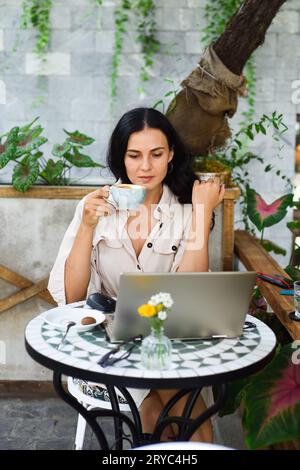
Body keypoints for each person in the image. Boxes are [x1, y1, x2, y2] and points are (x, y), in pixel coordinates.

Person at [48, 107, 225, 442]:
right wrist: (86, 227)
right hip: (110, 348)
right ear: (121, 158)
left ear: (171, 154)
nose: (145, 167)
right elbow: (73, 298)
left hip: (170, 342)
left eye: (156, 154)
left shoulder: (187, 208)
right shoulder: (95, 207)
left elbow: (190, 290)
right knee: (173, 412)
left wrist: (201, 214)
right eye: (134, 155)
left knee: (180, 411)